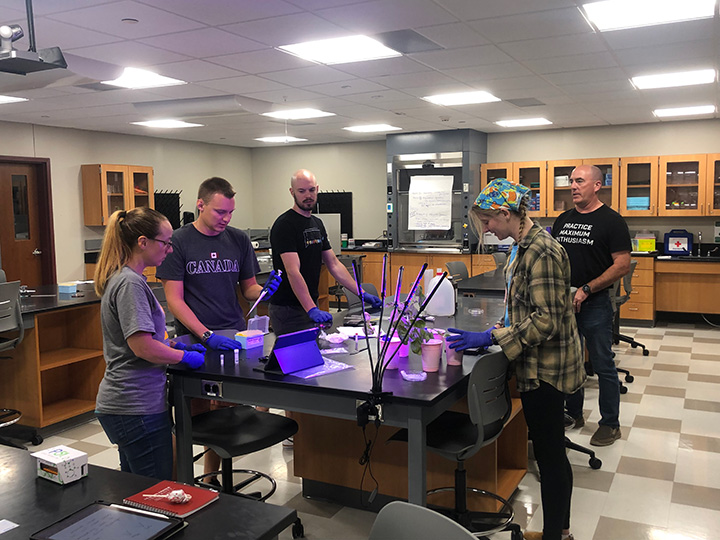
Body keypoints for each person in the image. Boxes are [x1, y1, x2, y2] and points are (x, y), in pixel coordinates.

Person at [447, 179, 584, 540]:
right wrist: (499, 327)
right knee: (550, 451)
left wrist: (493, 337)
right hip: (537, 363)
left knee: (551, 455)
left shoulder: (542, 250)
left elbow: (547, 320)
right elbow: (523, 306)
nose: (488, 229)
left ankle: (557, 534)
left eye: (489, 221)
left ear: (506, 213)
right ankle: (561, 531)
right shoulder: (523, 245)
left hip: (547, 370)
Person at [156, 176, 281, 480]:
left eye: (230, 213)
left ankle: (212, 478)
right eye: (219, 212)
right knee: (193, 416)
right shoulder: (180, 242)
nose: (226, 219)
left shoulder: (237, 240)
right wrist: (205, 335)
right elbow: (175, 300)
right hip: (194, 341)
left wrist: (266, 290)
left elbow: (248, 289)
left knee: (226, 416)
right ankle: (183, 482)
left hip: (232, 337)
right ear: (201, 205)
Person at [94, 207, 206, 480]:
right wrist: (182, 358)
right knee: (156, 493)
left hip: (130, 404)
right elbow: (141, 347)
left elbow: (143, 340)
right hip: (134, 406)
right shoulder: (129, 284)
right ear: (143, 242)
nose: (169, 250)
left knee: (135, 490)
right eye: (165, 243)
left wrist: (173, 348)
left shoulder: (127, 279)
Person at [552, 164, 631, 447]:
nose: (573, 186)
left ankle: (610, 424)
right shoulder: (563, 219)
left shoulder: (612, 221)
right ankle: (573, 413)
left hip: (595, 303)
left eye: (580, 181)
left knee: (602, 364)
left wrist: (587, 289)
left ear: (597, 185)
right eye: (571, 181)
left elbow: (621, 265)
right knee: (570, 362)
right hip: (565, 303)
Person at [269, 169, 381, 336]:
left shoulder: (317, 223)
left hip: (309, 303)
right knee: (296, 359)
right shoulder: (285, 225)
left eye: (311, 190)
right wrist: (311, 309)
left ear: (317, 189)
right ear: (292, 192)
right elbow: (293, 272)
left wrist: (361, 293)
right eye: (302, 191)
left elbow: (334, 264)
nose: (308, 195)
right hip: (288, 309)